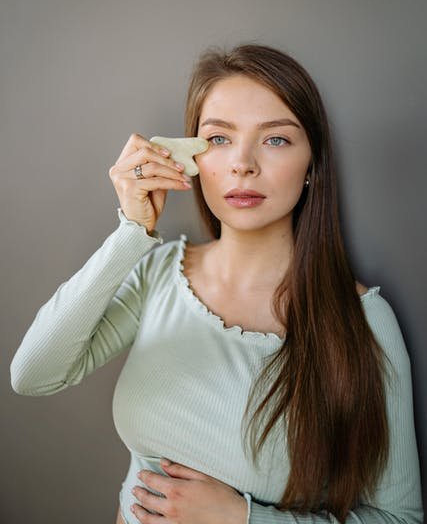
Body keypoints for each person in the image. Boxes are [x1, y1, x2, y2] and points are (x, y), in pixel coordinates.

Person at [10, 43, 423, 524]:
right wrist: (132, 231)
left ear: (313, 164)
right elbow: (33, 374)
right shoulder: (158, 272)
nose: (242, 164)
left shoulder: (365, 323)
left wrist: (243, 519)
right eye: (219, 139)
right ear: (190, 158)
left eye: (276, 140)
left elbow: (400, 518)